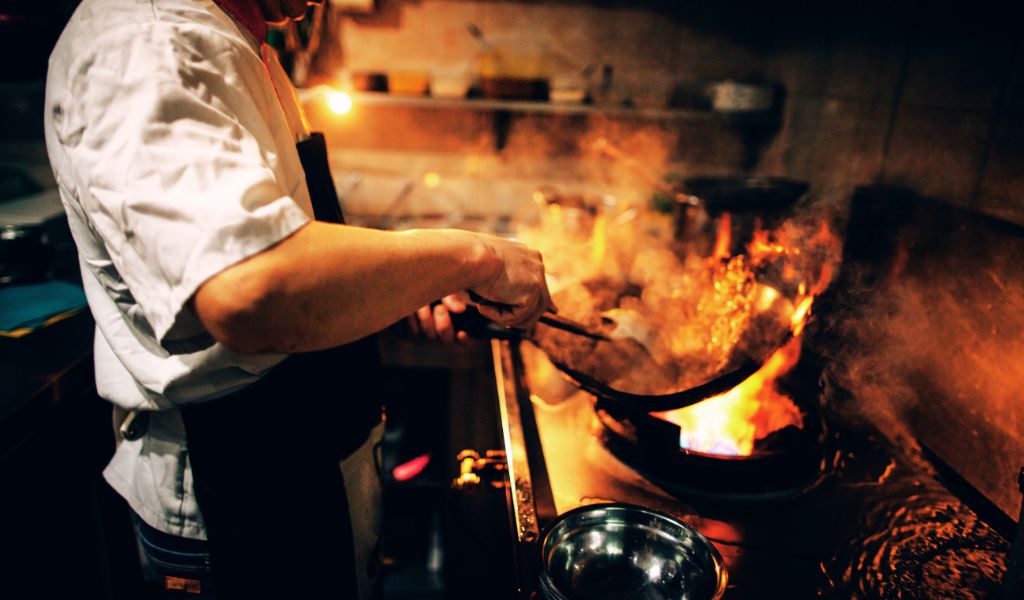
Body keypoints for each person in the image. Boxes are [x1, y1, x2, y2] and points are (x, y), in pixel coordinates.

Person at [43, 0, 553, 598]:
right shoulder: (148, 41)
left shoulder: (236, 38)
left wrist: (406, 289)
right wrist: (474, 257)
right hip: (236, 494)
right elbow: (250, 289)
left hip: (302, 466)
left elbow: (288, 253)